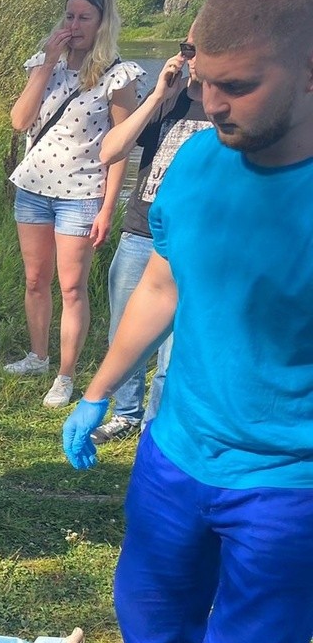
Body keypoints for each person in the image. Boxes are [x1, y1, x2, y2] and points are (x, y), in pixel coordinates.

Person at [61, 0, 313, 643]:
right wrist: (96, 392)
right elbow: (165, 280)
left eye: (238, 87)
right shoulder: (203, 159)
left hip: (286, 488)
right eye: (204, 81)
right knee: (151, 598)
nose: (212, 105)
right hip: (178, 447)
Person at [5, 0, 140, 408]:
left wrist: (107, 207)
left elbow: (120, 149)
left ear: (102, 22)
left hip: (81, 196)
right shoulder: (44, 63)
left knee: (72, 288)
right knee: (34, 280)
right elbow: (19, 120)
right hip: (32, 188)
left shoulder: (119, 75)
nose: (75, 24)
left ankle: (65, 376)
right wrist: (47, 62)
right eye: (69, 16)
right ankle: (38, 356)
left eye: (85, 17)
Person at [90, 31, 210, 444]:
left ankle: (155, 424)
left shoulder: (228, 107)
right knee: (124, 327)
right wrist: (158, 95)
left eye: (199, 49)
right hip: (141, 228)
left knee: (174, 344)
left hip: (194, 239)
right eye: (187, 48)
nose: (190, 57)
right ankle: (125, 414)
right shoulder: (168, 98)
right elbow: (110, 152)